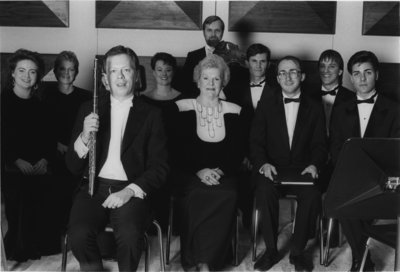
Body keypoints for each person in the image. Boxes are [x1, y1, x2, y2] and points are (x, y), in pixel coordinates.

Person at [65, 45, 169, 271]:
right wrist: (84, 136)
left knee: (131, 237)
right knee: (79, 234)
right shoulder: (88, 109)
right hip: (94, 187)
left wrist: (130, 191)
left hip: (130, 189)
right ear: (104, 79)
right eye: (114, 71)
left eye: (126, 70)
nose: (120, 77)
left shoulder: (152, 114)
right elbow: (72, 166)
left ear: (137, 75)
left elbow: (159, 167)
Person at [250, 56, 327, 271]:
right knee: (264, 192)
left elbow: (321, 144)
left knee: (312, 194)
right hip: (272, 169)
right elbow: (255, 142)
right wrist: (263, 164)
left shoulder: (314, 106)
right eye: (282, 72)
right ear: (277, 78)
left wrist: (314, 165)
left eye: (293, 71)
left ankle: (298, 251)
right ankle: (271, 251)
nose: (288, 76)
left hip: (303, 169)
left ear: (301, 76)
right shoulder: (265, 104)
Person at [330, 51, 400, 272]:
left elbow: (396, 151)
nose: (362, 79)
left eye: (367, 72)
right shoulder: (341, 109)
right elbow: (335, 147)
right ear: (350, 77)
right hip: (350, 177)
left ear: (376, 75)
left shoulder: (395, 109)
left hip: (382, 179)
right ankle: (363, 257)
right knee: (342, 197)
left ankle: (359, 259)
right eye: (357, 74)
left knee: (356, 201)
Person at [174, 54, 244, 271]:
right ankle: (193, 258)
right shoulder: (181, 107)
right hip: (190, 173)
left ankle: (208, 262)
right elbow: (176, 151)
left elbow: (237, 152)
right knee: (197, 194)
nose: (211, 84)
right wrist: (199, 171)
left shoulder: (235, 110)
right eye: (206, 78)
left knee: (228, 194)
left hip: (225, 173)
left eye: (216, 79)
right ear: (198, 80)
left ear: (223, 81)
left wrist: (220, 171)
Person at [1, 49, 60, 261]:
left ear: (38, 76)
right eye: (22, 70)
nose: (27, 75)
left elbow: (49, 141)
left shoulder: (41, 106)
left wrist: (45, 160)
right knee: (23, 189)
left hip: (39, 165)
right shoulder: (3, 102)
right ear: (13, 74)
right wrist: (16, 161)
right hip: (10, 166)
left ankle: (42, 245)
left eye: (32, 71)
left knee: (50, 188)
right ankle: (20, 248)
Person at [44, 51, 91, 231]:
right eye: (62, 69)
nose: (66, 73)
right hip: (53, 153)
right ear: (55, 71)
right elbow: (41, 128)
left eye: (71, 69)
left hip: (79, 153)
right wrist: (55, 144)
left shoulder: (85, 97)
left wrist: (73, 148)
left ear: (76, 72)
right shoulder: (45, 95)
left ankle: (74, 229)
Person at [140, 52, 182, 229]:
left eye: (168, 69)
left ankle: (176, 226)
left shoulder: (183, 98)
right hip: (151, 155)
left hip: (176, 155)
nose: (164, 74)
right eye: (159, 69)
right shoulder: (143, 99)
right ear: (153, 72)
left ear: (173, 72)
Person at [180, 15, 225, 97]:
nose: (213, 34)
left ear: (222, 32)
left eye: (217, 31)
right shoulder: (192, 56)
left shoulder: (233, 56)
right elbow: (184, 84)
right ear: (204, 32)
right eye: (209, 30)